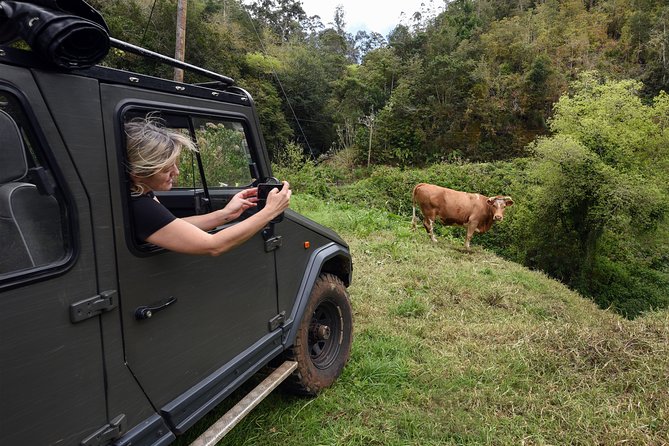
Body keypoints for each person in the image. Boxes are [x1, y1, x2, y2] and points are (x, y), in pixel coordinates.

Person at [124, 117, 291, 255]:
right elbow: (214, 245)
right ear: (138, 173)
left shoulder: (142, 193)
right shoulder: (140, 207)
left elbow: (173, 227)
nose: (176, 173)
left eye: (175, 165)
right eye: (167, 169)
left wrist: (226, 214)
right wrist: (270, 211)